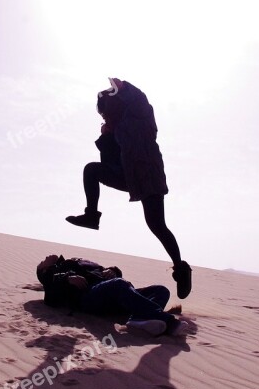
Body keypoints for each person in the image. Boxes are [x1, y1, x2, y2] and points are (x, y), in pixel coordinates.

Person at [65, 78, 192, 299]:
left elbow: (141, 101)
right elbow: (110, 163)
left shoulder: (139, 116)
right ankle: (91, 217)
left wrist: (124, 87)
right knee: (91, 170)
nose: (103, 116)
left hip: (148, 175)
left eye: (105, 112)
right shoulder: (117, 130)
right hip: (128, 176)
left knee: (157, 225)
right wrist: (106, 138)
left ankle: (181, 270)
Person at [36, 254, 187, 337]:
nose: (46, 256)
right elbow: (50, 296)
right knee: (119, 284)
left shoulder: (75, 261)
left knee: (161, 290)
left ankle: (138, 319)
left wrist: (113, 270)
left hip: (113, 292)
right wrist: (67, 278)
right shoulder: (52, 275)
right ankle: (168, 321)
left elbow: (105, 271)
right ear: (43, 270)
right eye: (42, 261)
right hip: (89, 296)